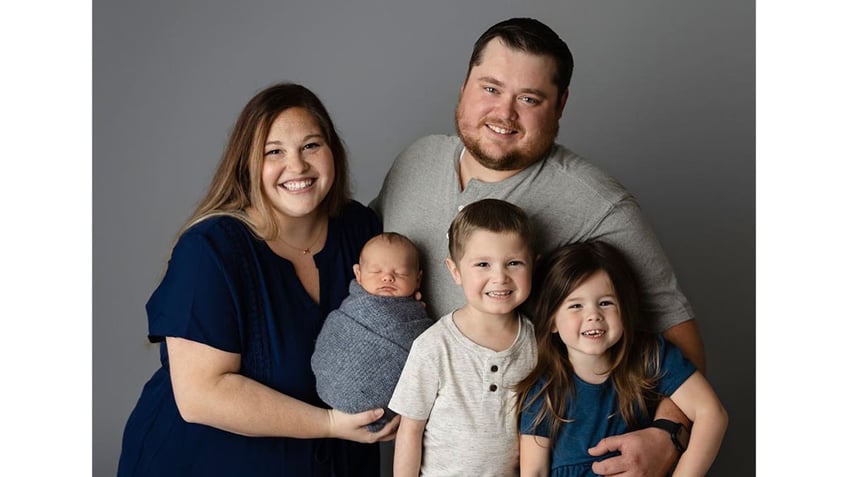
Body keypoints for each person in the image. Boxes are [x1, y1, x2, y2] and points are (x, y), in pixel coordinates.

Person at [371, 17, 704, 475]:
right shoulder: (414, 163)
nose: (504, 114)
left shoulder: (599, 205)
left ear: (560, 104)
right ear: (465, 82)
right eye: (490, 88)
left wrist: (667, 435)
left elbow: (679, 341)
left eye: (529, 99)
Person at [117, 82, 398, 476]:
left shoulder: (361, 231)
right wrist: (330, 424)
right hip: (203, 463)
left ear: (333, 151)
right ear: (248, 164)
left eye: (311, 146)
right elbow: (201, 394)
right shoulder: (209, 250)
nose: (297, 166)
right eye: (274, 152)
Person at [517, 241, 727, 476]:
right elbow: (534, 471)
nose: (593, 316)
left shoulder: (651, 355)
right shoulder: (544, 390)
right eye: (576, 305)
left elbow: (711, 414)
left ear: (624, 309)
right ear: (552, 321)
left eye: (605, 303)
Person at [389, 198, 538, 476]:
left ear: (533, 265)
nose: (500, 277)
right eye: (483, 264)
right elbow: (410, 430)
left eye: (514, 263)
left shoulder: (536, 344)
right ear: (455, 271)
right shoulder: (434, 345)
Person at [311, 232, 432, 432]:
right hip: (327, 384)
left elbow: (427, 349)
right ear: (358, 275)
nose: (387, 277)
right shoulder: (354, 306)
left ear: (418, 279)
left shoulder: (414, 318)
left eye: (400, 273)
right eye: (376, 271)